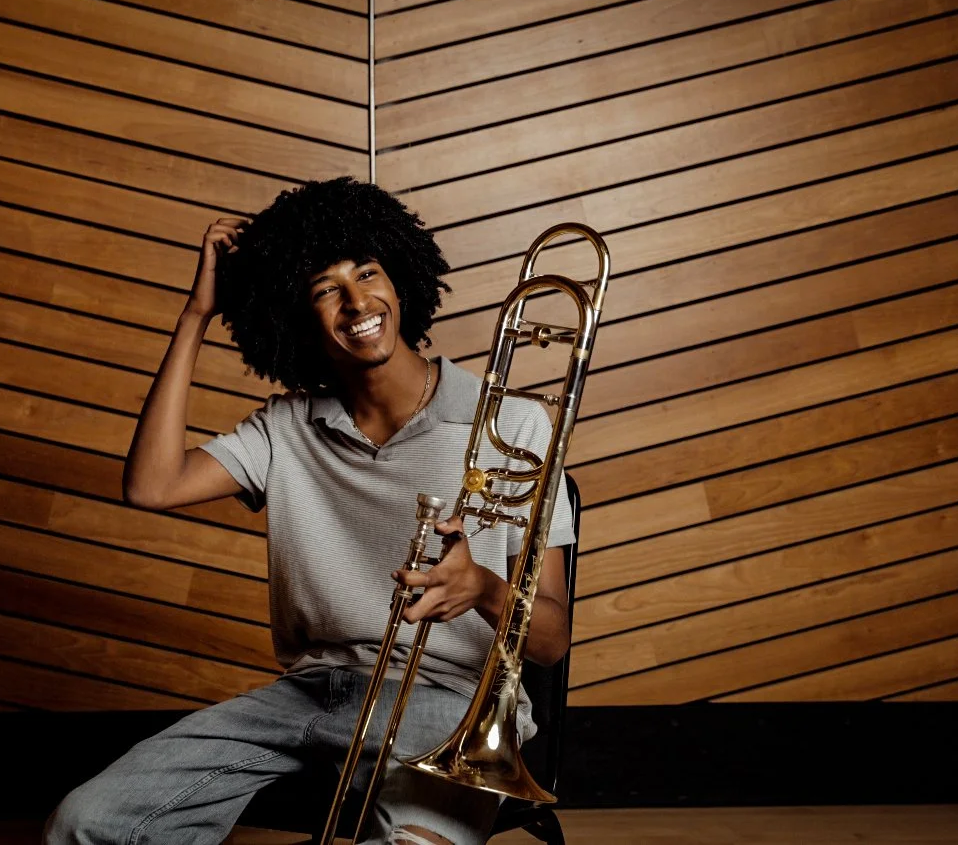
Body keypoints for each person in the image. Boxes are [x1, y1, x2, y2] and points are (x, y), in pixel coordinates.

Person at [45, 178, 575, 845]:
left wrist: (482, 588)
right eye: (326, 289)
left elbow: (550, 641)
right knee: (86, 824)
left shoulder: (515, 425)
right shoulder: (284, 428)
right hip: (303, 696)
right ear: (296, 315)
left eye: (367, 273)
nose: (357, 302)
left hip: (450, 701)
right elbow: (151, 486)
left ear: (401, 280)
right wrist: (197, 314)